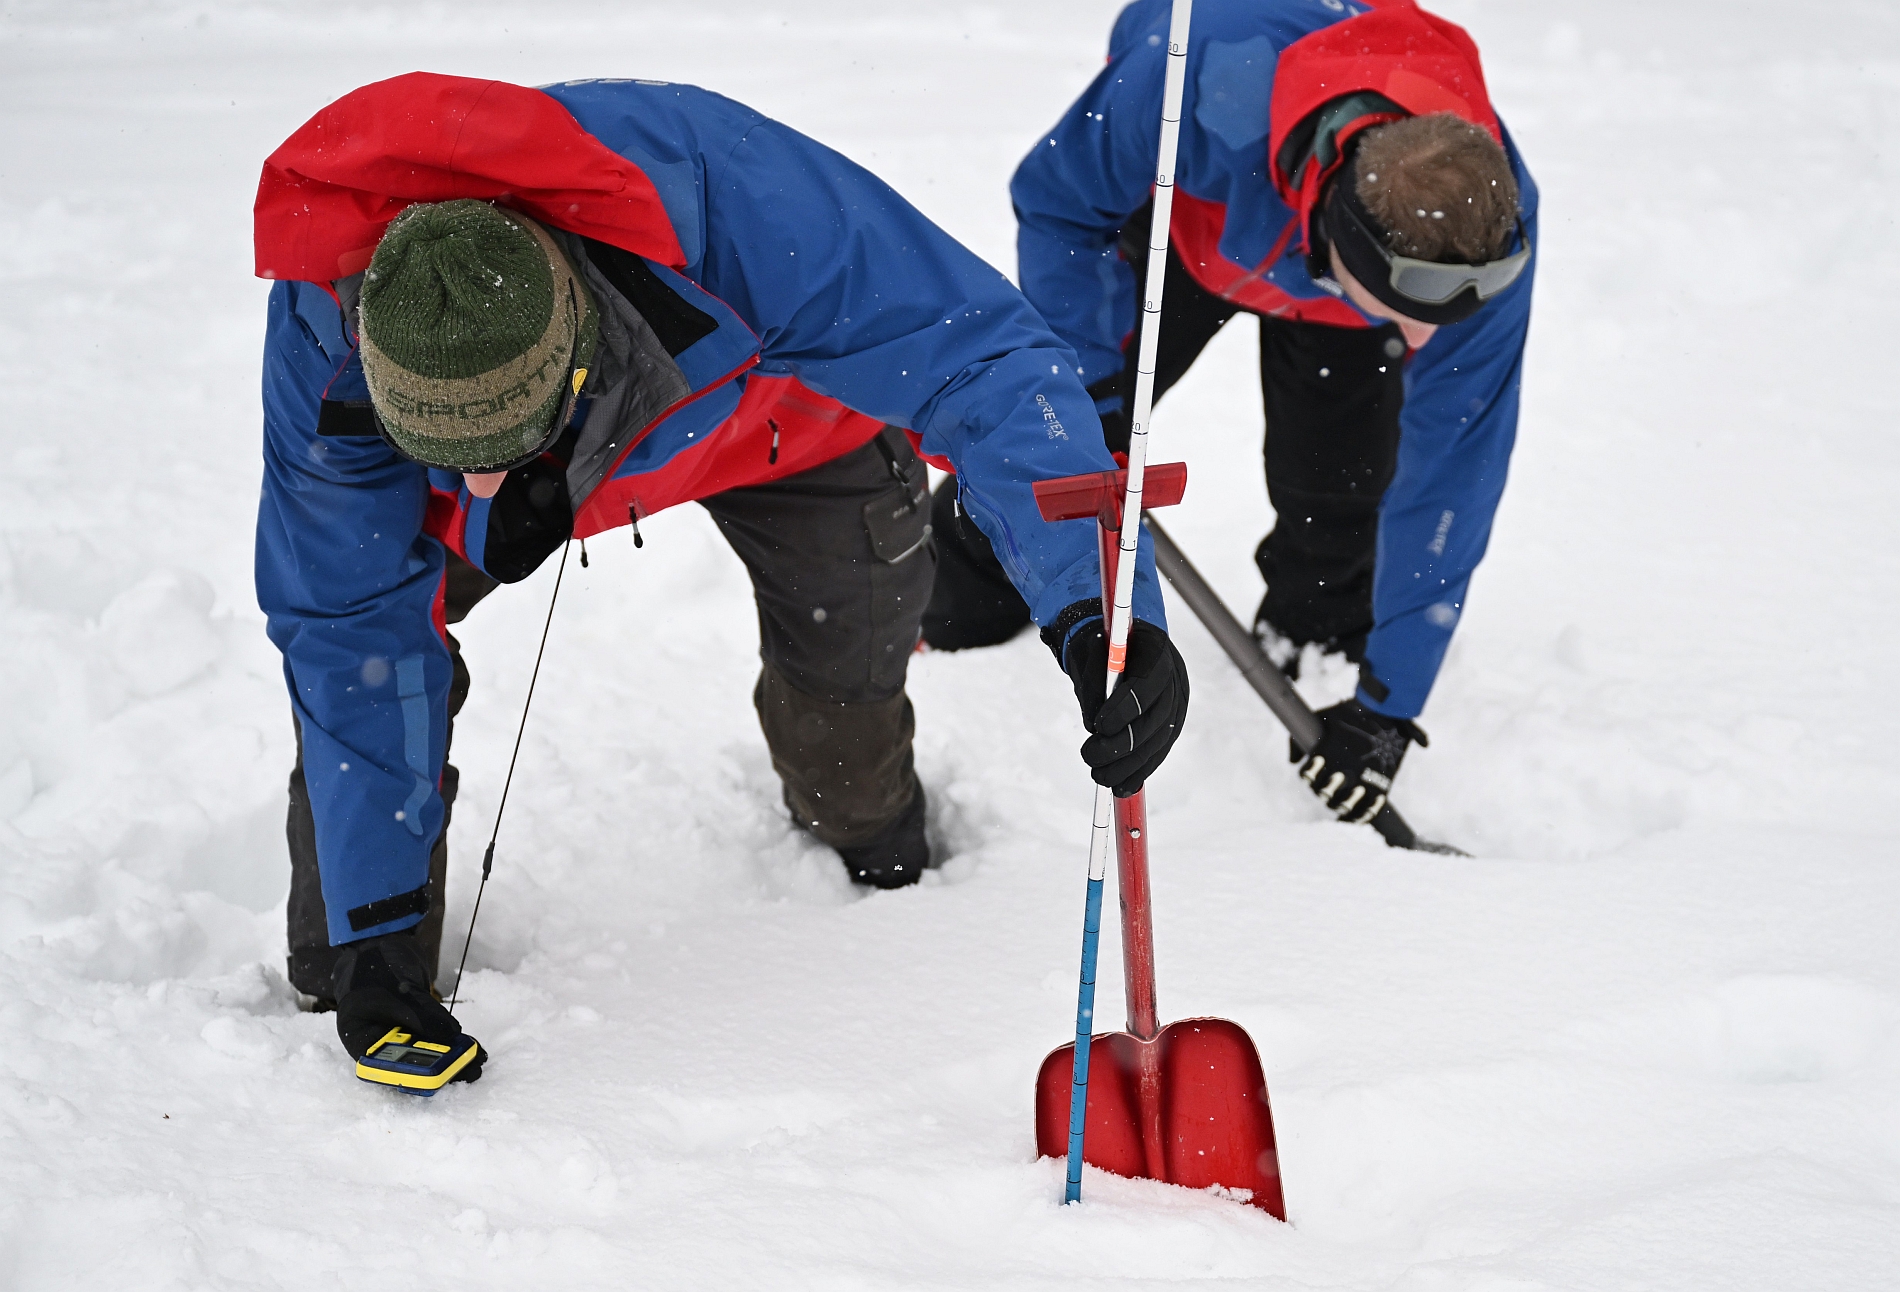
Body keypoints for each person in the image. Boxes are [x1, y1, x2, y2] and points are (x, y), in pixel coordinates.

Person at [254, 73, 1189, 1081]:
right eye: (446, 449)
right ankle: (364, 950)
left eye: (503, 439)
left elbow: (986, 363)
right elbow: (346, 612)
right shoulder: (336, 314)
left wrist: (1099, 607)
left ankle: (879, 840)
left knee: (848, 754)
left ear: (576, 352)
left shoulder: (735, 204)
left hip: (793, 432)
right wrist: (376, 942)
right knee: (344, 935)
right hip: (560, 472)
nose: (472, 478)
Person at [923, 0, 1536, 830]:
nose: (1431, 335)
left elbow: (1456, 466)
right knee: (1049, 452)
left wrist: (1391, 704)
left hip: (1331, 298)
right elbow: (1059, 204)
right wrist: (1087, 383)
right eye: (1410, 303)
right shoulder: (1191, 85)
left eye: (1452, 307)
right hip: (1190, 224)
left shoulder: (1474, 235)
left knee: (1344, 496)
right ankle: (937, 603)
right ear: (1345, 243)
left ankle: (1312, 639)